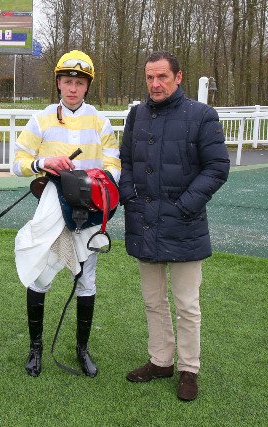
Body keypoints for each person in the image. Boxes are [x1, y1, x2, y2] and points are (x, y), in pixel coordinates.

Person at [119, 51, 230, 401]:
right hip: (144, 221)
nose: (155, 84)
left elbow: (217, 167)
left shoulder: (202, 115)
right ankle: (160, 361)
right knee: (153, 301)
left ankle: (188, 369)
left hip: (185, 224)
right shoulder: (136, 115)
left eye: (162, 77)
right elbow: (126, 161)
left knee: (187, 306)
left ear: (178, 77)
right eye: (150, 77)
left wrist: (184, 206)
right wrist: (128, 195)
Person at [12, 50, 121, 377]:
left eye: (79, 83)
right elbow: (18, 162)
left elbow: (114, 165)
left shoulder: (100, 122)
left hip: (89, 211)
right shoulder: (41, 119)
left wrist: (95, 181)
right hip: (53, 209)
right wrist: (43, 163)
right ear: (58, 83)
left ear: (87, 86)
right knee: (41, 276)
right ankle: (35, 348)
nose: (73, 88)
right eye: (67, 82)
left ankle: (82, 349)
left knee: (86, 281)